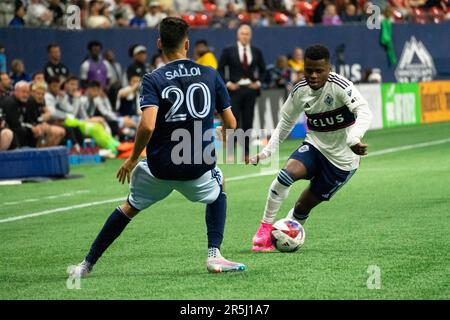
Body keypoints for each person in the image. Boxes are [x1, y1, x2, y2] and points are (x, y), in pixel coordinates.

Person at [70, 17, 245, 277]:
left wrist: (130, 159)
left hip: (159, 167)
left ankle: (86, 265)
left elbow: (148, 126)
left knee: (129, 206)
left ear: (159, 43)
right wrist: (222, 133)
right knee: (219, 186)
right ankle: (214, 255)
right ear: (187, 44)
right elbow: (231, 122)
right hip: (196, 168)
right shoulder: (210, 74)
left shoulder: (152, 78)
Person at [248, 45, 372, 251]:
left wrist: (354, 139)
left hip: (343, 162)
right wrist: (267, 152)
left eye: (319, 70)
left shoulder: (341, 86)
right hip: (315, 146)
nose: (313, 75)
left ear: (329, 68)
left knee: (301, 207)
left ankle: (286, 234)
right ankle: (264, 229)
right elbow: (286, 122)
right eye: (309, 70)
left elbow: (364, 111)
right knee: (286, 175)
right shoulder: (299, 90)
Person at [218, 24, 266, 161]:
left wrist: (258, 82)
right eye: (242, 33)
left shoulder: (256, 51)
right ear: (238, 35)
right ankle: (230, 153)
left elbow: (263, 70)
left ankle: (245, 152)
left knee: (248, 121)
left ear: (250, 36)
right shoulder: (229, 50)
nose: (245, 36)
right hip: (234, 90)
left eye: (247, 34)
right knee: (233, 121)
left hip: (250, 90)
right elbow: (220, 69)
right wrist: (227, 83)